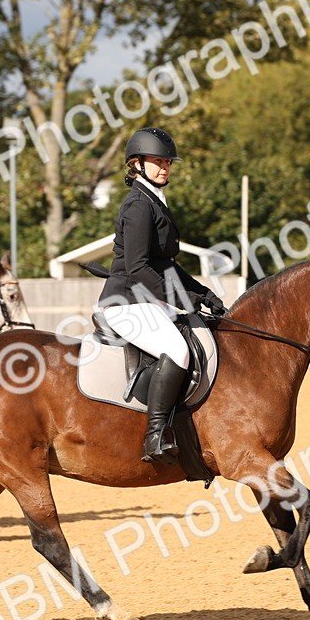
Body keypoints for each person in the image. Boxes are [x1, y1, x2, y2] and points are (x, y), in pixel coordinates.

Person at [96, 128, 225, 465]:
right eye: (158, 161)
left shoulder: (154, 201)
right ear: (135, 164)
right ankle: (154, 436)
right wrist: (182, 299)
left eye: (167, 162)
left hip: (146, 300)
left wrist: (202, 293)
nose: (165, 167)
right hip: (126, 302)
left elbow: (164, 264)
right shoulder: (139, 206)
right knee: (177, 350)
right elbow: (138, 268)